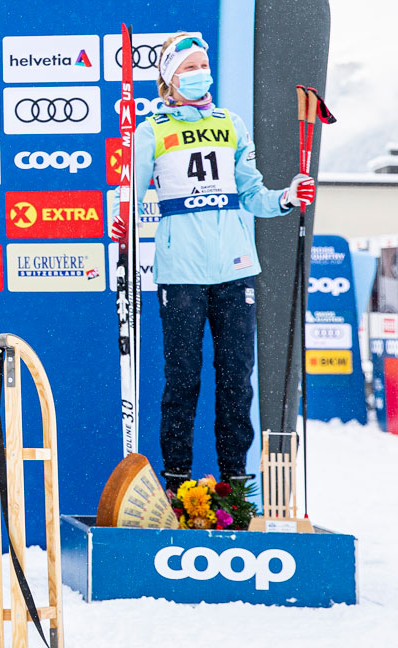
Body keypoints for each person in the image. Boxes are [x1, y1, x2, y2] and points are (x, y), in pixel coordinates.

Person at [111, 31, 314, 489]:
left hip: (235, 268)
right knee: (183, 381)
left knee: (237, 380)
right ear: (170, 77)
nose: (200, 73)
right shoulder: (151, 130)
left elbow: (252, 193)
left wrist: (285, 197)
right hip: (181, 272)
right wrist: (118, 220)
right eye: (189, 67)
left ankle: (235, 484)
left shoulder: (231, 124)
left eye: (203, 65)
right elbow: (127, 197)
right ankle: (177, 481)